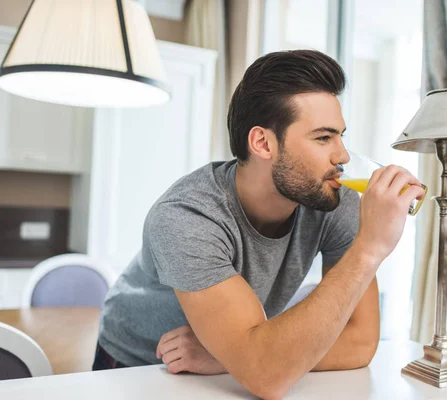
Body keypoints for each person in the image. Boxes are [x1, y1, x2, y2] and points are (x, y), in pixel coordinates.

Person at [92, 48, 422, 398]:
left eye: (340, 135)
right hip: (142, 365)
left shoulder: (331, 198)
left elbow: (359, 343)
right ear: (263, 143)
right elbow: (267, 376)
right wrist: (369, 249)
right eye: (323, 138)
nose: (341, 156)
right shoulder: (187, 216)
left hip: (231, 365)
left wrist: (231, 357)